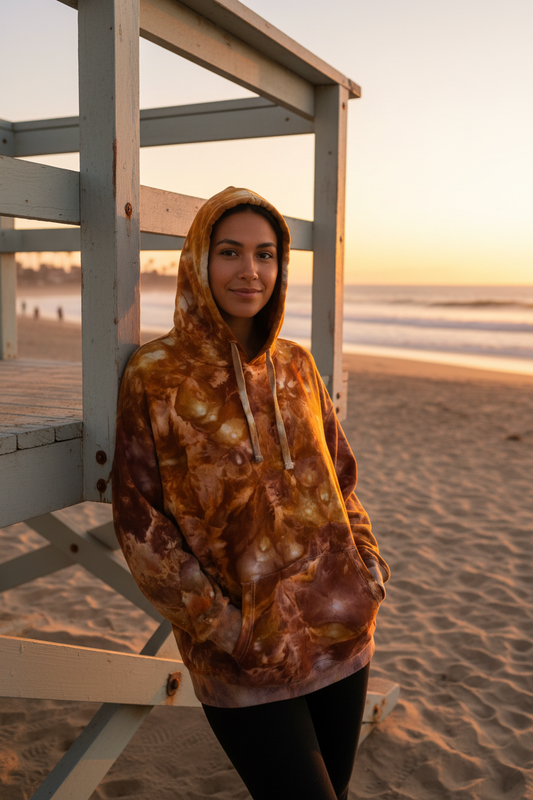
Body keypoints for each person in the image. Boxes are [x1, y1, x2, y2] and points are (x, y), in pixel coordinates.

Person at [112, 186, 390, 800]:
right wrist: (224, 628)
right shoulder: (155, 374)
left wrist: (368, 572)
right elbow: (140, 523)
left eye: (266, 255)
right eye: (231, 252)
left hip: (340, 633)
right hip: (242, 659)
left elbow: (341, 478)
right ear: (198, 260)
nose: (250, 271)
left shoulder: (297, 365)